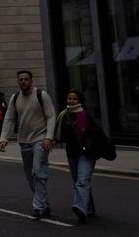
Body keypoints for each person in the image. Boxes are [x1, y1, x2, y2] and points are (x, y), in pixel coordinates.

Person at [0, 70, 57, 218]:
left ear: (31, 80)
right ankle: (44, 204)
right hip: (24, 141)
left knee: (38, 171)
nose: (23, 81)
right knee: (29, 176)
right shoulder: (15, 97)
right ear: (17, 81)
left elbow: (51, 116)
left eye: (26, 79)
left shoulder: (41, 95)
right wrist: (4, 139)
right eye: (21, 79)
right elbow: (9, 119)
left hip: (41, 138)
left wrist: (49, 137)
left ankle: (38, 206)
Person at [54, 90, 98, 223]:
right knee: (79, 182)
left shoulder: (85, 115)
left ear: (79, 101)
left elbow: (97, 133)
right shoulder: (63, 116)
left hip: (86, 154)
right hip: (72, 154)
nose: (71, 101)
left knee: (82, 181)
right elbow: (60, 135)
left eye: (74, 99)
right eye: (69, 98)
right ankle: (90, 208)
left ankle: (80, 208)